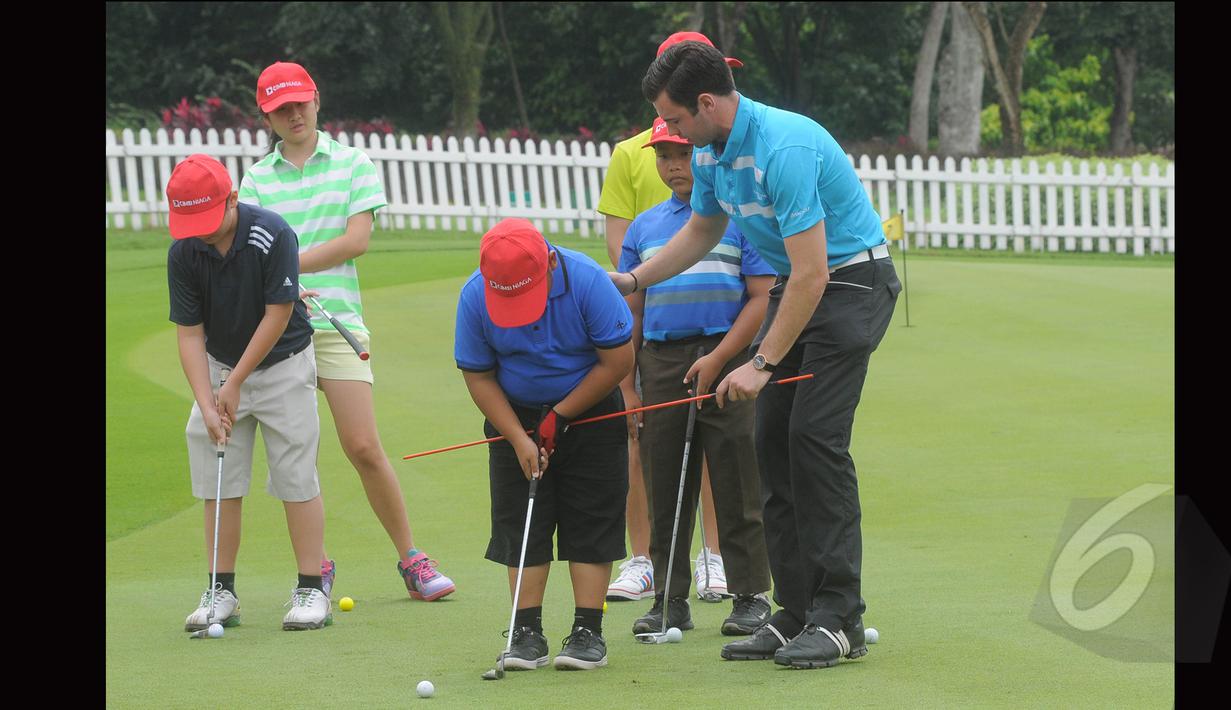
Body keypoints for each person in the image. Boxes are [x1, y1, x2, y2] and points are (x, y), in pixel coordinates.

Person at [614, 41, 901, 669]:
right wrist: (633, 279)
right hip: (798, 288)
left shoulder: (784, 147)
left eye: (676, 119)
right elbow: (701, 230)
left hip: (851, 285)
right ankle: (795, 611)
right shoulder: (712, 152)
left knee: (814, 441)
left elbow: (813, 273)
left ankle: (839, 619)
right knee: (771, 443)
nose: (672, 134)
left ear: (707, 102)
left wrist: (760, 362)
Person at [238, 61, 454, 603]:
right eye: (281, 109)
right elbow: (251, 256)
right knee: (297, 454)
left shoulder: (353, 163)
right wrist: (282, 283)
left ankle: (412, 558)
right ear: (267, 117)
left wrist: (287, 270)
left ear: (316, 100)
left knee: (362, 445)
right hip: (279, 327)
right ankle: (315, 570)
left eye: (300, 103)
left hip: (336, 322)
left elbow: (357, 240)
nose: (294, 115)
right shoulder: (257, 179)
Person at [598, 30, 744, 603]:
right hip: (658, 322)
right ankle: (647, 563)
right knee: (650, 452)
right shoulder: (631, 155)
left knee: (719, 453)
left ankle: (715, 558)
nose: (677, 159)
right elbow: (624, 252)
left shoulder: (725, 146)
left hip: (716, 325)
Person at [455, 218, 634, 671]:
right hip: (512, 412)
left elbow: (618, 361)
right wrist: (517, 436)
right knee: (522, 519)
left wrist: (562, 415)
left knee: (592, 515)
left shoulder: (588, 281)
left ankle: (588, 631)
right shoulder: (475, 295)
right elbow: (478, 375)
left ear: (550, 261)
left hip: (593, 409)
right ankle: (525, 632)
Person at [621, 118, 776, 640]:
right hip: (662, 362)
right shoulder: (643, 228)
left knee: (736, 476)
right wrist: (628, 383)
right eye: (663, 156)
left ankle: (750, 594)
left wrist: (724, 357)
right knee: (665, 480)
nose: (673, 166)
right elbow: (632, 313)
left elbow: (760, 298)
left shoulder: (737, 219)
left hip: (727, 357)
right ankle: (668, 598)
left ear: (704, 157)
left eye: (683, 154)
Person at [168, 154, 331, 632]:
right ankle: (221, 590)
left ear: (233, 199)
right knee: (218, 475)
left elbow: (277, 314)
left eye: (207, 218)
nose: (199, 232)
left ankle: (311, 587)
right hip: (219, 365)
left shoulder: (273, 233)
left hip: (283, 364)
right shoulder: (184, 252)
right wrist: (208, 401)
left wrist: (235, 382)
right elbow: (189, 334)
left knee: (296, 474)